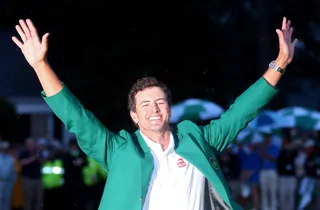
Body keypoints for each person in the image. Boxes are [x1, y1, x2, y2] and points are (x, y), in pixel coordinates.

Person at [11, 17, 297, 210]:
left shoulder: (197, 139)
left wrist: (280, 63)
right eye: (144, 105)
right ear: (134, 116)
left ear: (169, 109)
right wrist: (40, 65)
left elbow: (240, 113)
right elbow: (76, 117)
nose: (153, 109)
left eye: (159, 102)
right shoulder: (118, 149)